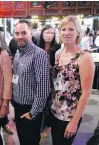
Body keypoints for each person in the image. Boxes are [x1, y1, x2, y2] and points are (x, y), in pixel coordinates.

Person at [50, 15, 95, 145]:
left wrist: (74, 121)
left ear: (78, 33)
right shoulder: (58, 53)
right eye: (63, 29)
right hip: (55, 111)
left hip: (69, 115)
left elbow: (86, 93)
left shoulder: (84, 57)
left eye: (71, 29)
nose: (66, 33)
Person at [12, 19, 51, 145]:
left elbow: (44, 88)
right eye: (17, 33)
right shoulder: (18, 53)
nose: (20, 36)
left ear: (31, 33)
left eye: (23, 33)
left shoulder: (39, 54)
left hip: (31, 110)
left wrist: (33, 113)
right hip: (18, 107)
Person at [38, 25, 61, 138]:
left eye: (51, 33)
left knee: (50, 104)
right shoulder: (37, 46)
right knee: (40, 103)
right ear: (42, 34)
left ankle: (48, 126)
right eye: (46, 33)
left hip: (53, 81)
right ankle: (41, 125)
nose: (48, 35)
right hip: (39, 80)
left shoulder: (58, 48)